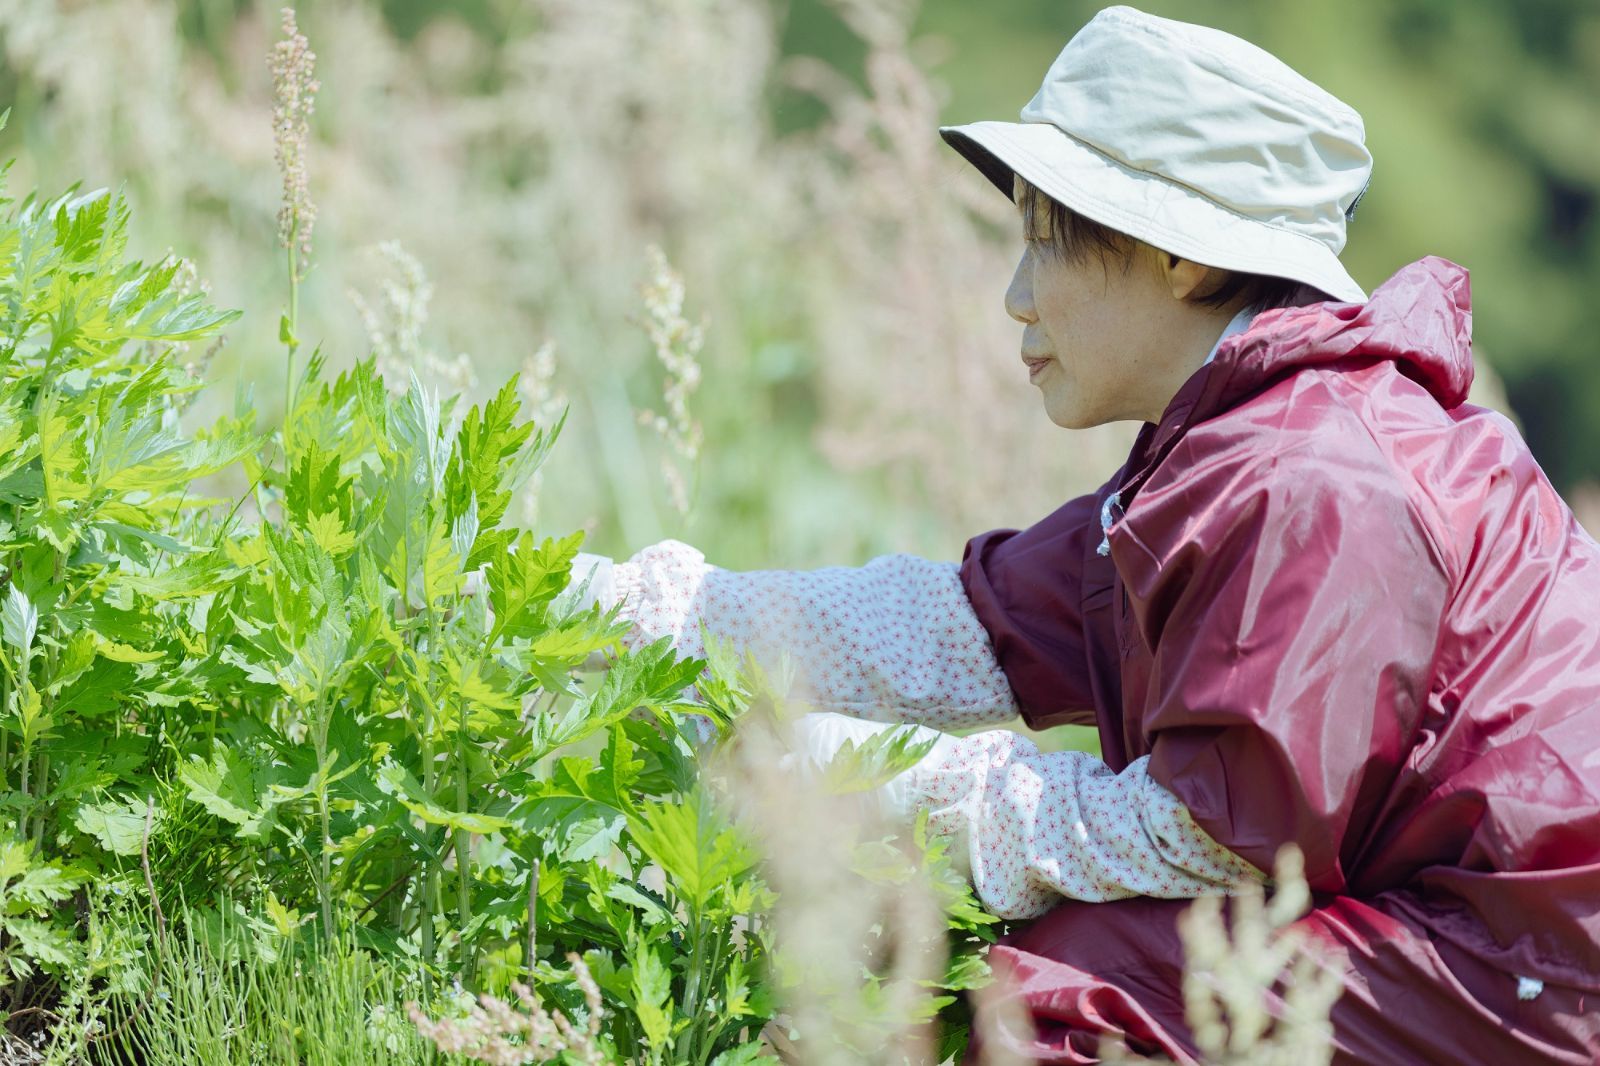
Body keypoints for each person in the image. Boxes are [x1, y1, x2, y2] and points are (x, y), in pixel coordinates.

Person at [575, 7, 1600, 1062]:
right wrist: (641, 613)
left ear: (1180, 262)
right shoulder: (1232, 443)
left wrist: (847, 779)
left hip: (1532, 967)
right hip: (1469, 936)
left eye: (1044, 241)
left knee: (1058, 994)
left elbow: (1205, 837)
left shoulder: (1316, 479)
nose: (1016, 298)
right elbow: (968, 624)